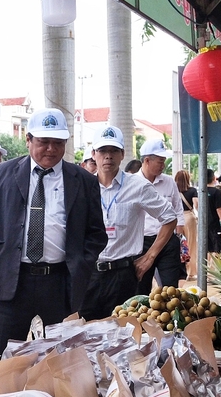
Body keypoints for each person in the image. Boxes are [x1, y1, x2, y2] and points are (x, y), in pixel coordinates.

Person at [0, 108, 108, 355]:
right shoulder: (3, 173)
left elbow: (96, 233)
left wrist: (80, 264)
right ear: (29, 140)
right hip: (11, 280)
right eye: (44, 142)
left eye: (58, 143)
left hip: (59, 283)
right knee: (2, 358)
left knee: (60, 359)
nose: (50, 149)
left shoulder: (83, 180)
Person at [79, 127, 177, 320]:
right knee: (86, 335)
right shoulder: (81, 187)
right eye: (102, 151)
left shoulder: (138, 186)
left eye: (114, 151)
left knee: (125, 336)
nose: (108, 156)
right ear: (93, 154)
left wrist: (150, 257)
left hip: (123, 275)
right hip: (89, 275)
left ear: (122, 154)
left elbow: (169, 217)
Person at [135, 139, 185, 295]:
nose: (163, 165)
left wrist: (180, 234)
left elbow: (177, 208)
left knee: (170, 291)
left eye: (164, 161)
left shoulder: (169, 182)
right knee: (140, 288)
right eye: (160, 161)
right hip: (142, 243)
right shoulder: (132, 183)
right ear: (147, 161)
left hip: (167, 242)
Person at [176, 170, 198, 280]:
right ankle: (191, 272)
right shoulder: (192, 190)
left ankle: (180, 271)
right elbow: (197, 204)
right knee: (191, 245)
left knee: (178, 244)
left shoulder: (173, 190)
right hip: (189, 217)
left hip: (176, 219)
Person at [206, 169, 221, 255]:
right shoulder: (216, 192)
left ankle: (208, 267)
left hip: (204, 225)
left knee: (208, 250)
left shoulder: (200, 191)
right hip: (215, 224)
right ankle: (213, 268)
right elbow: (219, 209)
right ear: (214, 178)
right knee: (217, 249)